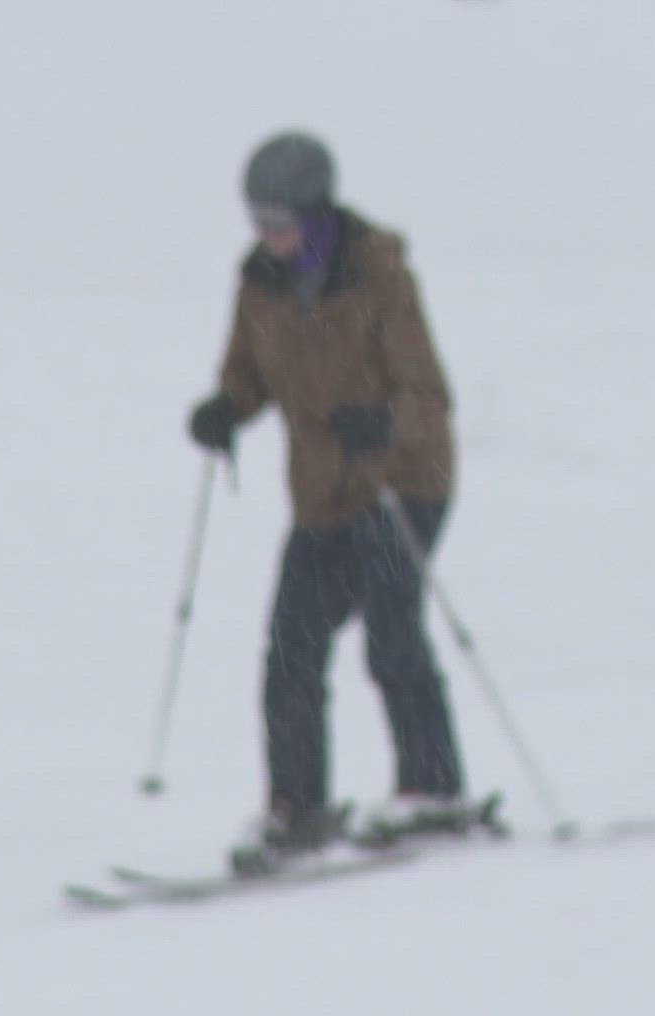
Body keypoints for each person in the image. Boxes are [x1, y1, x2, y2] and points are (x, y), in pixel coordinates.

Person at [187, 130, 484, 874]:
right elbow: (247, 374)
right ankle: (298, 808)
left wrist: (386, 422)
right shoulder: (258, 283)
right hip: (321, 494)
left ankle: (433, 790)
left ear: (316, 212)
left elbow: (429, 394)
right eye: (257, 222)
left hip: (401, 482)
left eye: (280, 222)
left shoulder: (378, 275)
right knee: (291, 648)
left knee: (391, 631)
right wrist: (226, 409)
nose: (268, 237)